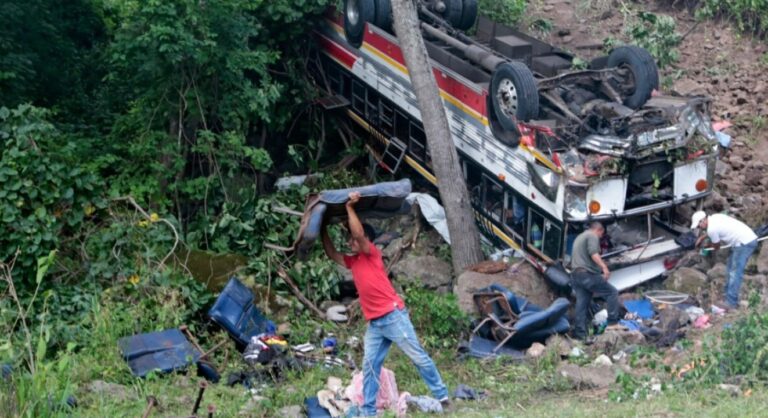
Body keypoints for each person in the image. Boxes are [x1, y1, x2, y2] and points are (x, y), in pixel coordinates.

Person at [321, 191, 449, 416]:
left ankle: (443, 397)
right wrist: (322, 227)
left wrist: (350, 208)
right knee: (370, 367)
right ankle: (369, 411)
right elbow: (332, 254)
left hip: (392, 315)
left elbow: (359, 235)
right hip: (375, 323)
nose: (350, 242)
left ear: (366, 241)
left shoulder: (372, 254)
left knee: (417, 356)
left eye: (353, 239)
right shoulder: (353, 261)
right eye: (349, 240)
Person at [692, 211, 758, 310]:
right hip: (746, 238)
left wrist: (707, 247)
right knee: (730, 268)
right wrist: (702, 237)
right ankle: (727, 297)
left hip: (744, 243)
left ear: (703, 220)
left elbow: (717, 246)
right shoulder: (715, 216)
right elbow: (715, 230)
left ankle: (731, 303)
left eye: (698, 225)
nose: (699, 228)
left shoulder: (711, 229)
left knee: (735, 273)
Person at [570, 222, 620, 341]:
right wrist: (604, 267)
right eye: (601, 235)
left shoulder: (580, 237)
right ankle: (613, 323)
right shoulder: (592, 236)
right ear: (599, 230)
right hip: (587, 274)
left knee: (582, 303)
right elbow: (593, 253)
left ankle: (580, 334)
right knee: (612, 292)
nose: (601, 237)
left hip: (576, 275)